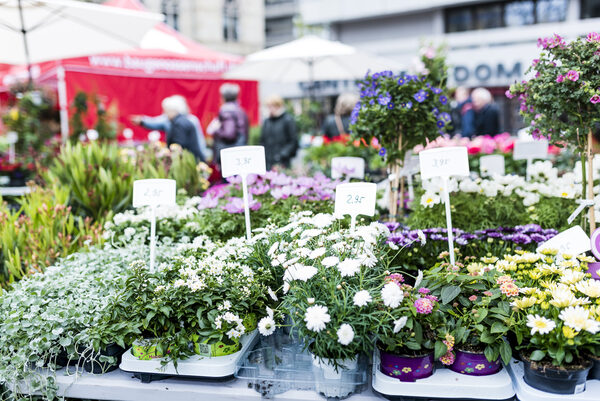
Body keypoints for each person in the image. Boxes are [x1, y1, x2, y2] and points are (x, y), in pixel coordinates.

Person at [131, 95, 210, 161]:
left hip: (188, 159)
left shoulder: (180, 123)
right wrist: (142, 121)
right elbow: (156, 121)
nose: (164, 113)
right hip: (192, 157)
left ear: (174, 110)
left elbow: (180, 144)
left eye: (166, 111)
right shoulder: (176, 121)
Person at [209, 83, 249, 166]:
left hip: (228, 155)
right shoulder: (240, 110)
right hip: (239, 153)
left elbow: (229, 134)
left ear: (223, 97)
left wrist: (215, 131)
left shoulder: (226, 111)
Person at [259, 95, 298, 170]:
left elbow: (293, 141)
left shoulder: (287, 120)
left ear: (278, 106)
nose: (269, 109)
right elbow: (262, 141)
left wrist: (282, 155)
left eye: (271, 106)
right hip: (268, 161)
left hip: (283, 161)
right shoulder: (267, 121)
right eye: (268, 106)